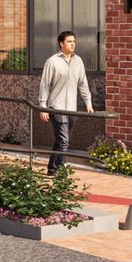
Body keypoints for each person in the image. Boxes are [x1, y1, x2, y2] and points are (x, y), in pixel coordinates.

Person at [37, 30, 92, 173]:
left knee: (60, 141)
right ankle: (62, 172)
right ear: (61, 44)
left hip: (71, 108)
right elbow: (44, 84)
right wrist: (43, 107)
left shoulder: (78, 61)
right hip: (57, 107)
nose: (73, 44)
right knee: (64, 141)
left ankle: (51, 168)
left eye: (74, 41)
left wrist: (88, 102)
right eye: (69, 41)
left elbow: (83, 83)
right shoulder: (52, 61)